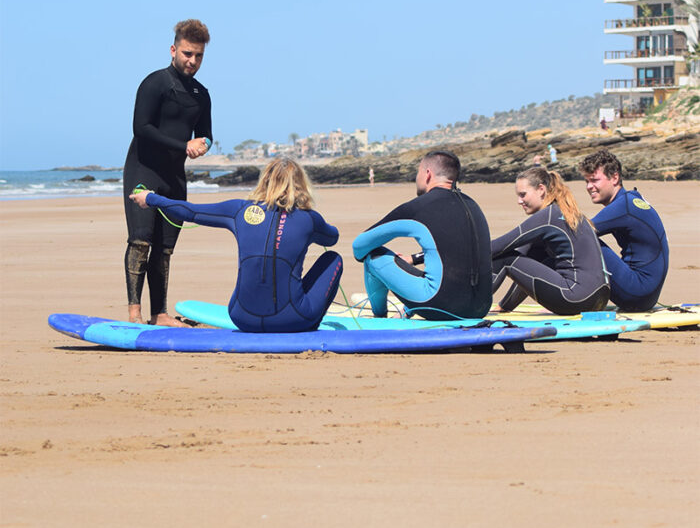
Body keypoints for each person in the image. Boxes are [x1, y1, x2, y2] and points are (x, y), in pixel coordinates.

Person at [130, 158, 343, 333]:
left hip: (242, 317)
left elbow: (190, 211)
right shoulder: (310, 219)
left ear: (264, 181)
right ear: (300, 184)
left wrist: (151, 198)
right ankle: (308, 324)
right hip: (293, 321)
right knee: (334, 258)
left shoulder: (239, 210)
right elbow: (332, 238)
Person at [123, 19, 213, 326]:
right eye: (187, 54)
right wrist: (183, 145)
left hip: (174, 177)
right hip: (143, 170)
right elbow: (141, 128)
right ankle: (134, 312)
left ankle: (158, 313)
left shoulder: (202, 95)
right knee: (141, 241)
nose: (192, 61)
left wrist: (204, 145)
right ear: (174, 49)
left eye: (198, 56)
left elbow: (206, 134)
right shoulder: (156, 83)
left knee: (164, 249)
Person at [352, 150, 492, 320]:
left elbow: (359, 246)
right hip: (481, 307)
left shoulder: (419, 207)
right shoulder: (473, 205)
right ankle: (406, 311)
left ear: (427, 174)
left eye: (417, 172)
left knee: (373, 255)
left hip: (442, 306)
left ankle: (379, 319)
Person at [491, 166, 609, 315]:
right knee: (539, 260)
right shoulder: (570, 212)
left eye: (523, 195)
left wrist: (461, 254)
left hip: (575, 299)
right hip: (599, 301)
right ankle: (504, 307)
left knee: (505, 257)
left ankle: (472, 308)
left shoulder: (548, 216)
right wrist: (505, 307)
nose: (519, 201)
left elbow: (498, 247)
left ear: (541, 189)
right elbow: (526, 270)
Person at [579, 149, 669, 311]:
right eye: (586, 181)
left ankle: (568, 296)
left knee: (581, 240)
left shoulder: (623, 206)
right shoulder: (630, 199)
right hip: (646, 295)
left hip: (636, 292)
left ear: (614, 178)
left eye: (594, 180)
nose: (589, 187)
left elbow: (578, 231)